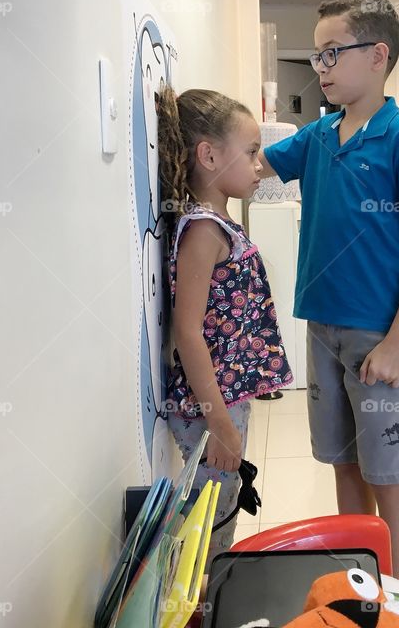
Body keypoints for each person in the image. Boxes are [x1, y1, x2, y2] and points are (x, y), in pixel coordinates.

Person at [260, 0, 399, 585]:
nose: (322, 67)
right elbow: (253, 166)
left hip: (377, 335)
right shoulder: (317, 136)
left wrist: (397, 342)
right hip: (322, 328)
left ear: (378, 56)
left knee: (387, 474)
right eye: (318, 56)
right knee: (343, 464)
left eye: (333, 53)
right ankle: (366, 582)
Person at [156, 85, 293, 562]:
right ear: (209, 155)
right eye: (251, 152)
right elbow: (187, 331)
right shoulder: (203, 230)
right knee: (209, 526)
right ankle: (204, 597)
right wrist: (217, 421)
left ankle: (211, 591)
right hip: (209, 406)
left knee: (222, 508)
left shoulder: (219, 222)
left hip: (225, 397)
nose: (260, 164)